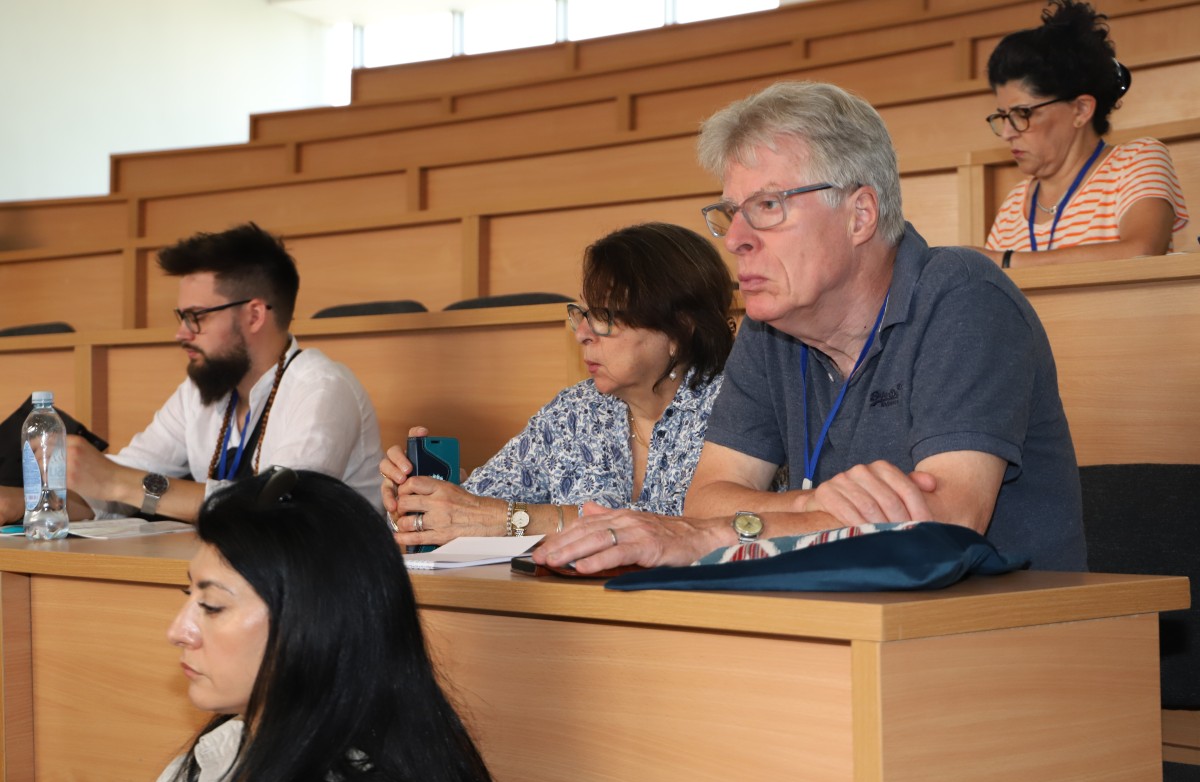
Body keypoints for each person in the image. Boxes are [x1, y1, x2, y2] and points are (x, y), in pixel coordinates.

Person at [535, 80, 1086, 575]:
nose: (735, 239)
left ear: (859, 214)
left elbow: (946, 523)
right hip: (840, 611)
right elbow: (706, 498)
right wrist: (811, 503)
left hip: (1000, 633)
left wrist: (712, 536)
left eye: (768, 206)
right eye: (732, 213)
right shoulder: (770, 326)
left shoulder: (964, 296)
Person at [379, 222, 735, 547]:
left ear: (680, 328)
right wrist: (422, 499)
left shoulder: (735, 406)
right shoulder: (576, 410)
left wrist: (514, 520)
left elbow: (701, 529)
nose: (582, 334)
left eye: (604, 316)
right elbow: (478, 508)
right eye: (583, 314)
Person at [152, 468, 500, 782]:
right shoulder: (202, 767)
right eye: (188, 593)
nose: (178, 632)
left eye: (211, 605)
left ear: (314, 618)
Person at [64, 222, 384, 522]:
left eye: (197, 316)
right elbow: (118, 479)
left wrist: (118, 482)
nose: (181, 333)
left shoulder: (321, 389)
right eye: (182, 317)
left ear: (254, 315)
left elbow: (279, 511)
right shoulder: (200, 391)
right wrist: (39, 501)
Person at [978, 0, 1187, 267]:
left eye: (1023, 113)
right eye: (1004, 116)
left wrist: (1004, 260)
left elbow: (1142, 251)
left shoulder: (1136, 161)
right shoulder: (1013, 205)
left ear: (1080, 110)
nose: (1007, 132)